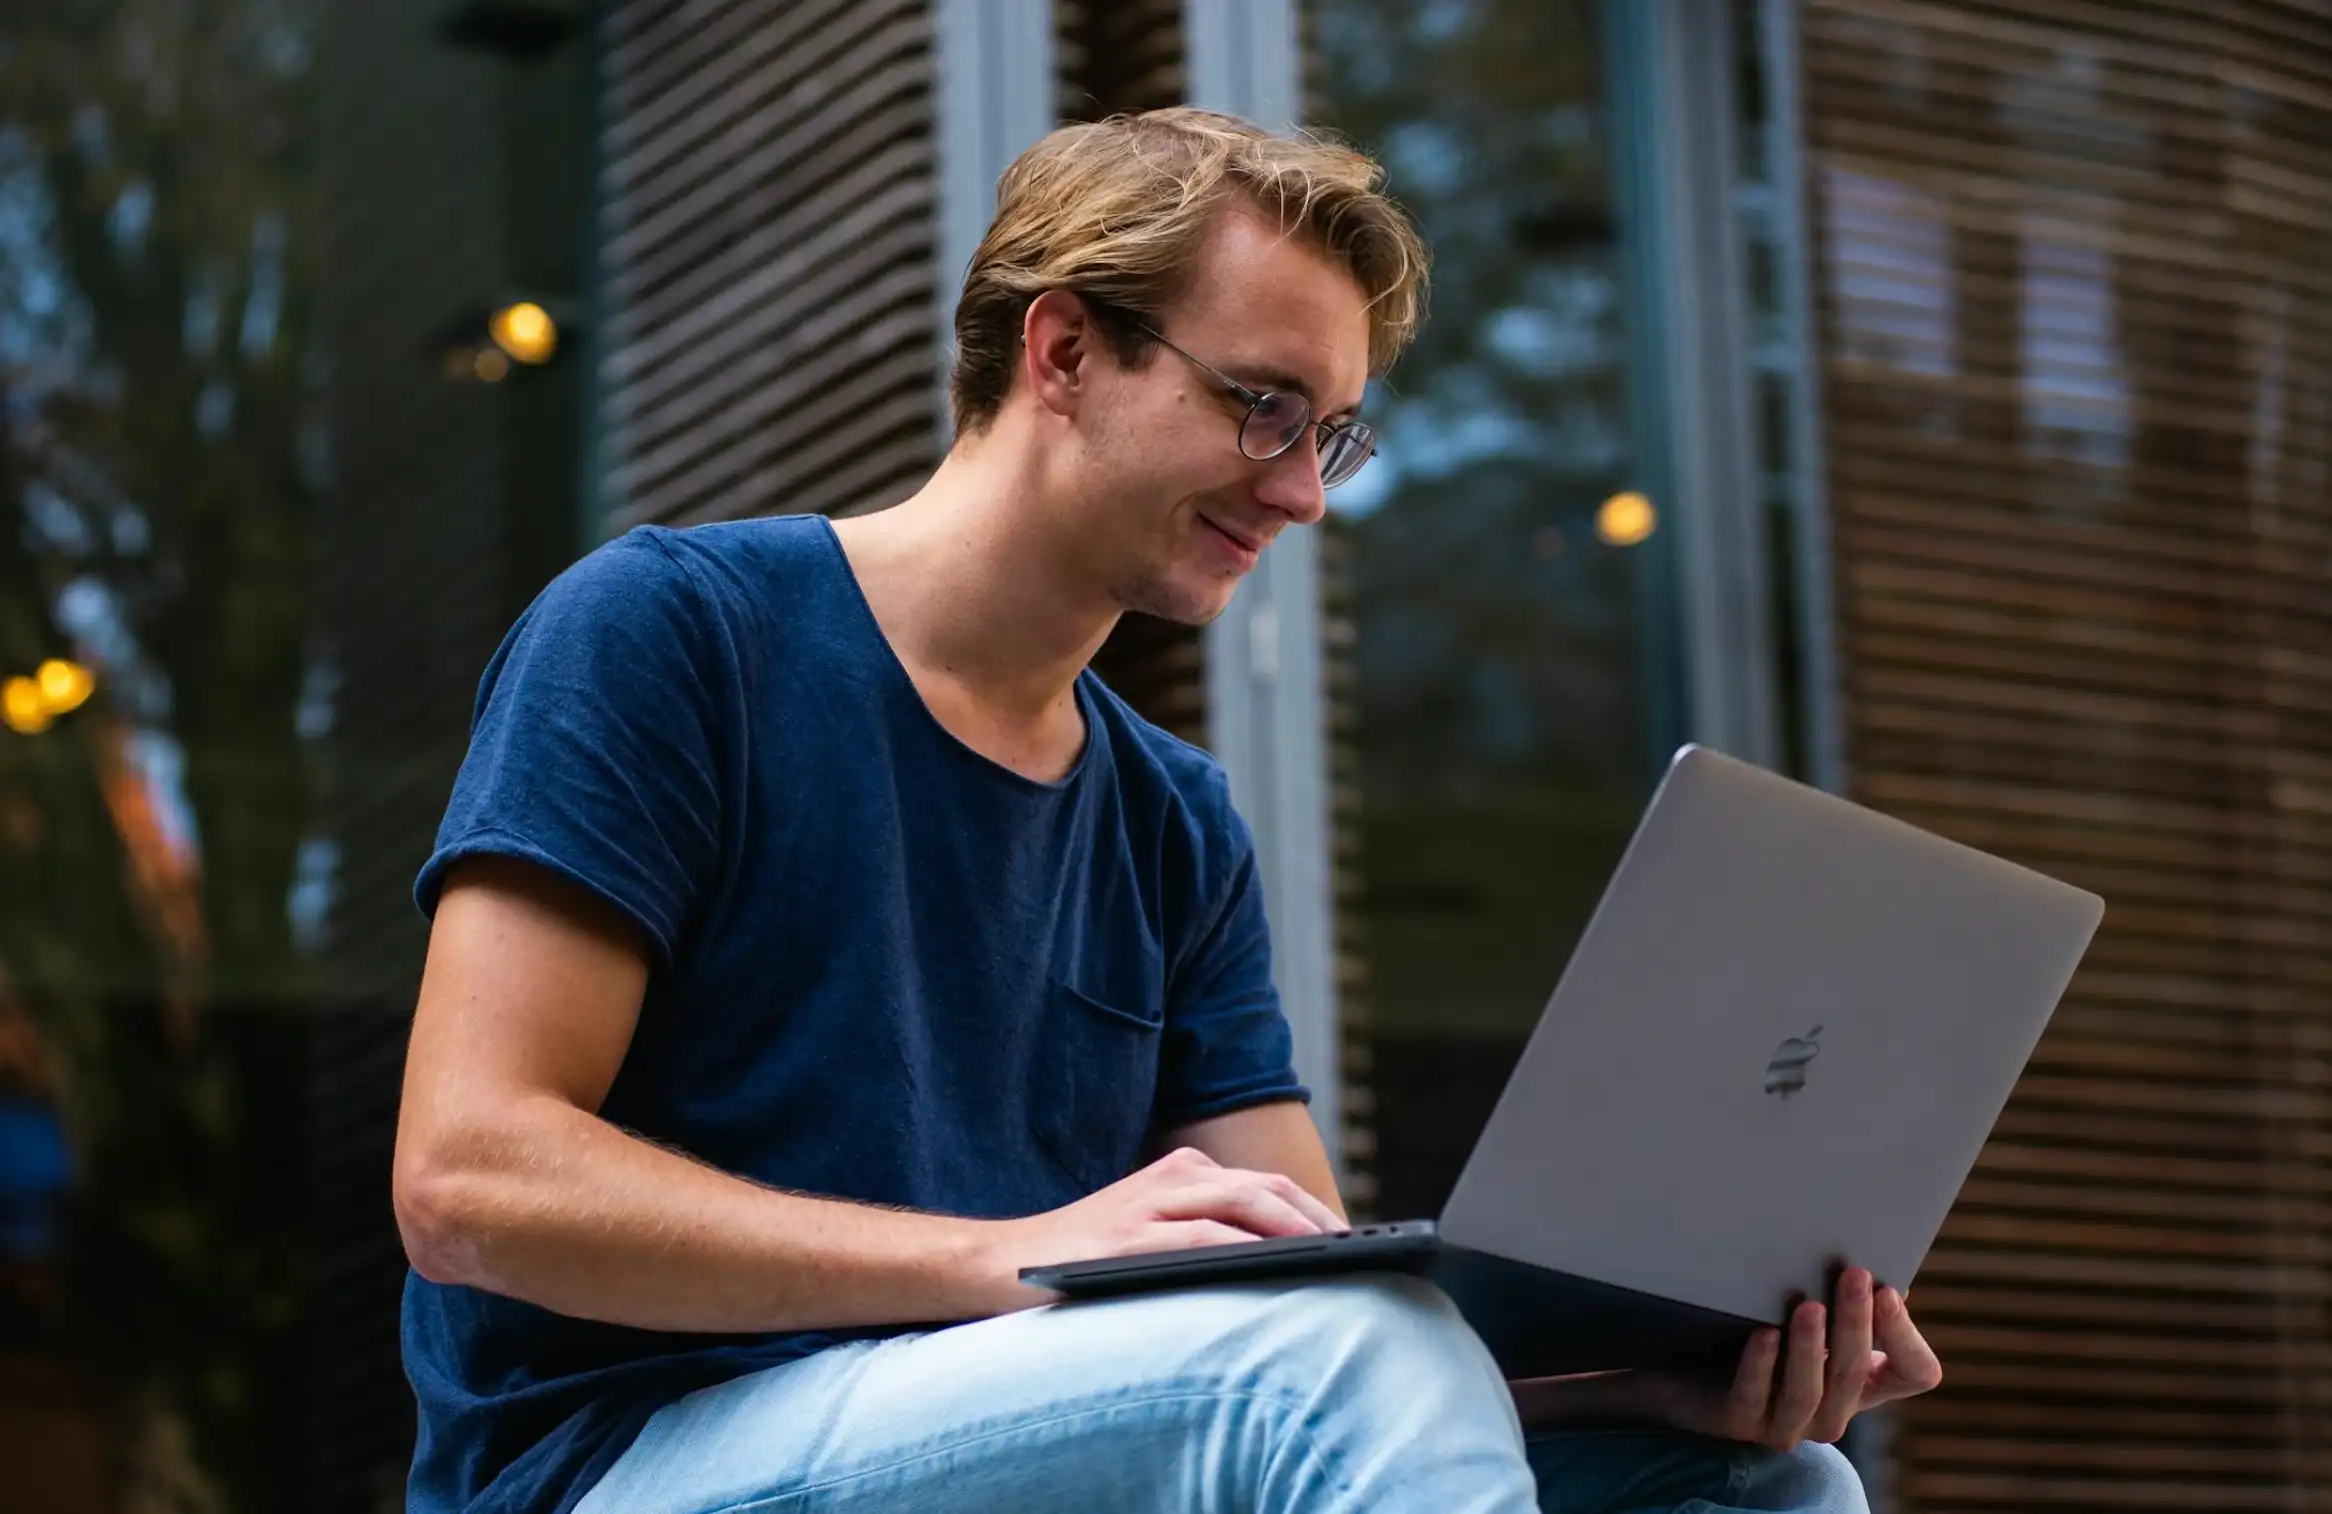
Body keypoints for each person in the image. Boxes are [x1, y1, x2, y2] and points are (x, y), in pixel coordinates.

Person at [391, 106, 1941, 1514]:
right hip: (622, 1461)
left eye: (1332, 434)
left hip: (1008, 1437)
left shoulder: (1171, 819)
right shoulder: (675, 633)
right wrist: (999, 1261)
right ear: (1063, 352)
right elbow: (468, 1181)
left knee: (1764, 1482)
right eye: (1266, 408)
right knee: (1339, 1362)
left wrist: (1639, 1382)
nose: (1305, 492)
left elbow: (1327, 1303)